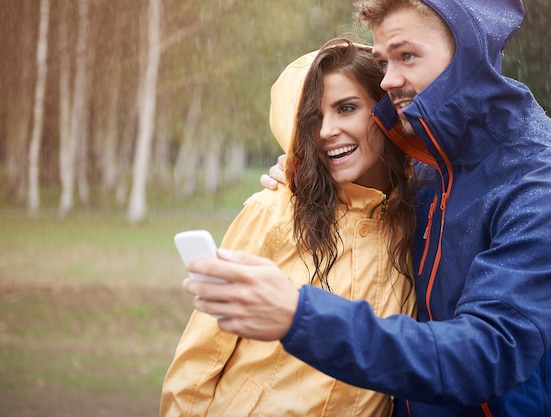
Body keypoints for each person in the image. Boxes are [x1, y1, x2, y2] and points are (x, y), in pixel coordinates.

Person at [182, 1, 551, 416]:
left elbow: (487, 355)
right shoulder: (426, 176)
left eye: (407, 56)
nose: (388, 80)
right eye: (385, 62)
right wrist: (299, 166)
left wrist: (299, 315)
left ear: (470, 55)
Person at [160, 39, 420, 416]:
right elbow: (203, 354)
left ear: (383, 111)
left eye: (346, 108)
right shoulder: (274, 210)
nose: (327, 131)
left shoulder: (420, 219)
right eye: (313, 118)